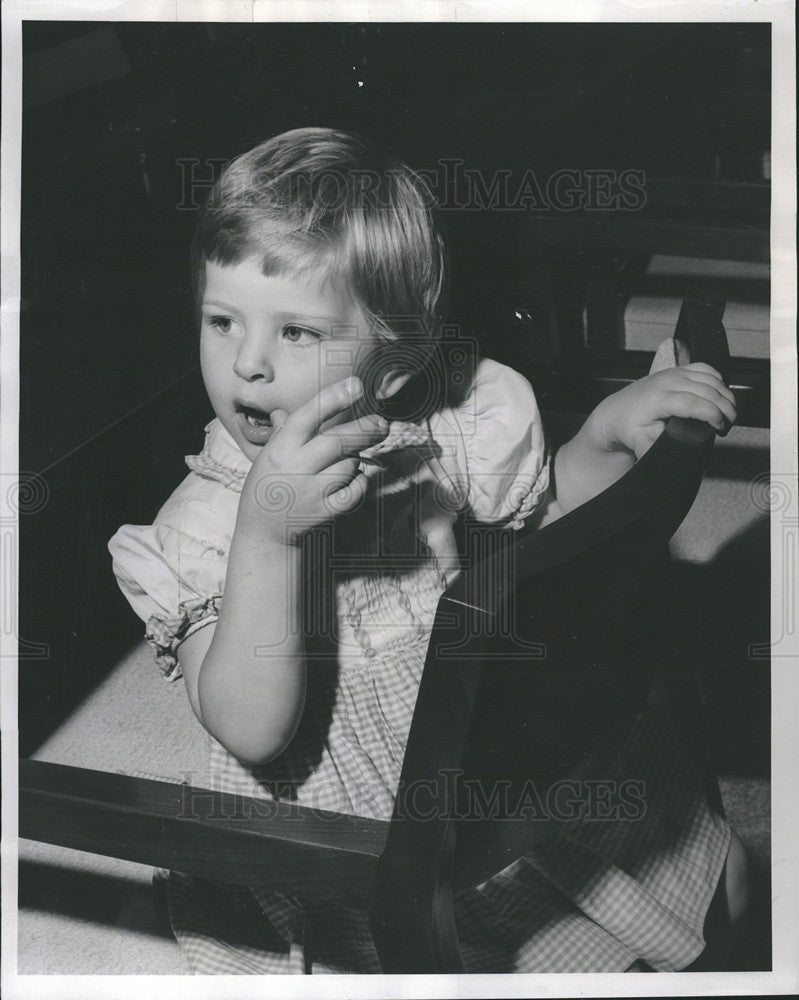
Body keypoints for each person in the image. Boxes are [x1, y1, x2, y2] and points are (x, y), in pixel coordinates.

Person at [108, 127, 747, 974]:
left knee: (671, 869)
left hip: (477, 760)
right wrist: (266, 534)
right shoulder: (199, 528)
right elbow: (254, 731)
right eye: (221, 320)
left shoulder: (437, 433)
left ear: (397, 370)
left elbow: (544, 529)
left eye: (296, 332)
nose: (248, 365)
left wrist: (602, 437)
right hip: (338, 824)